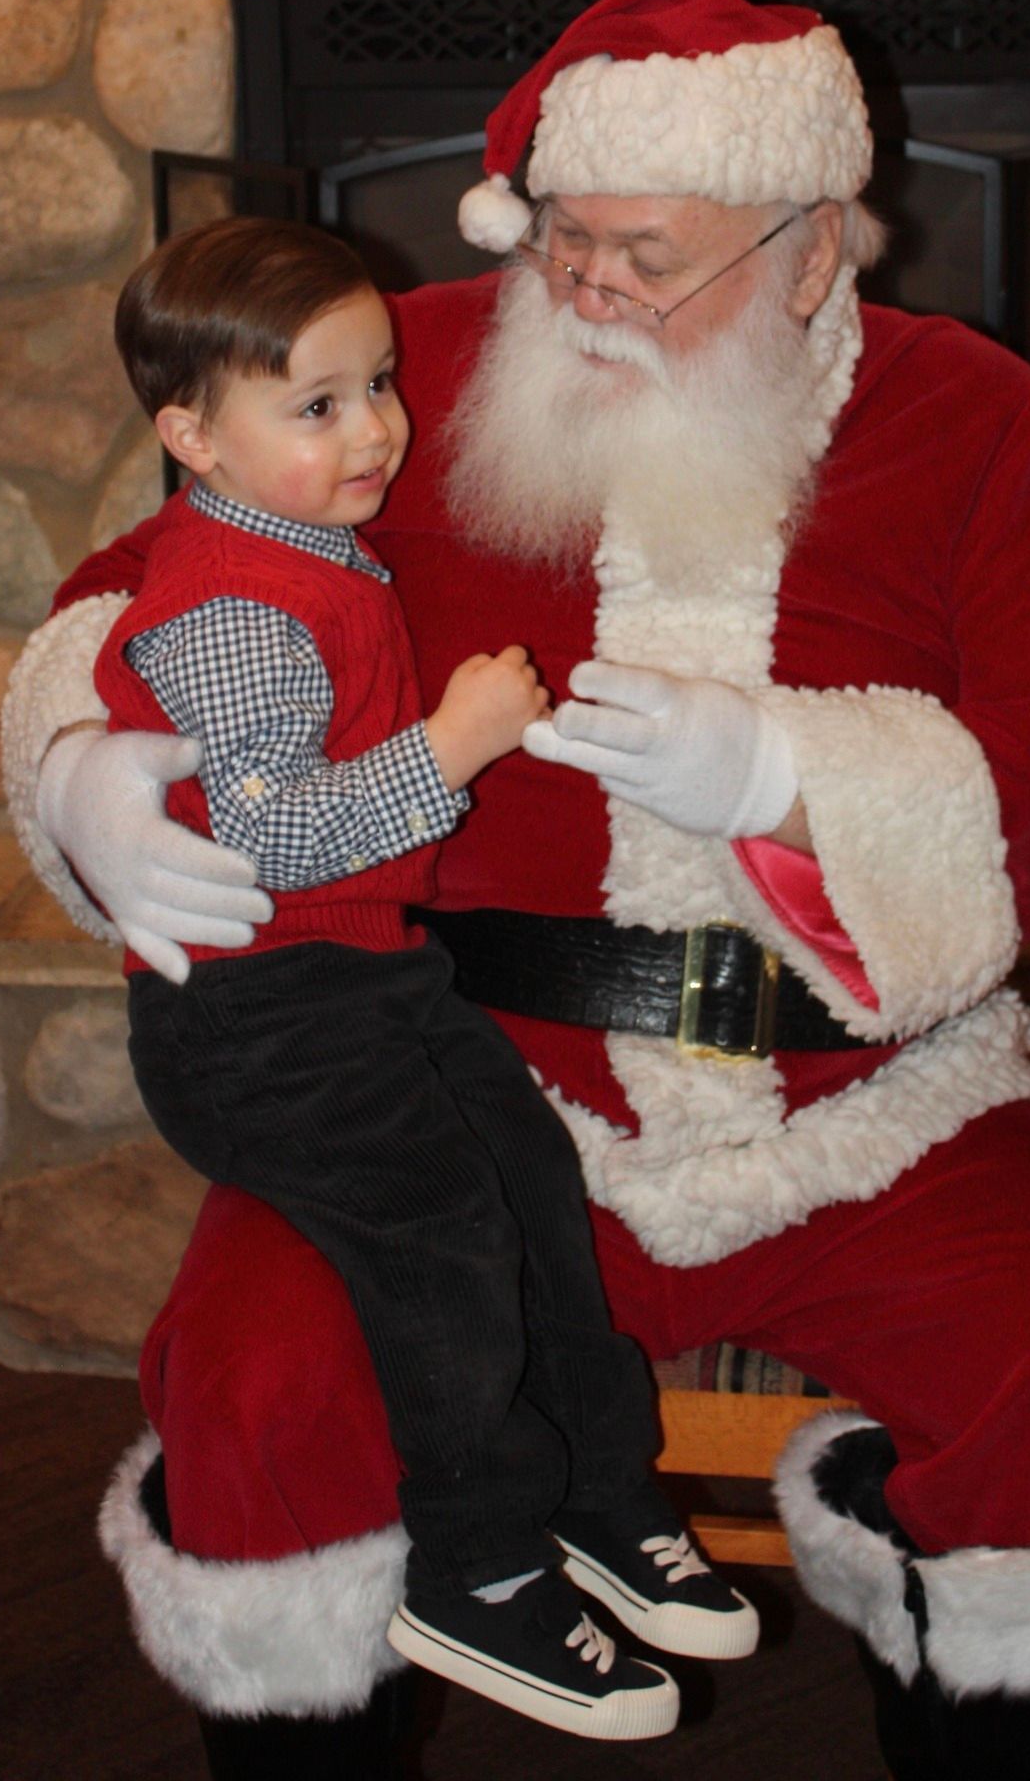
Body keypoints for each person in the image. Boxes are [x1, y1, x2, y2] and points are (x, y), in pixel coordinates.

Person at [3, 0, 1030, 1781]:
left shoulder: (974, 418)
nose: (585, 293)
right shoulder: (393, 368)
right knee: (259, 1396)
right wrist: (85, 767)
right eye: (560, 239)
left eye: (648, 255)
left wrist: (796, 778)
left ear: (815, 249)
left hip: (865, 1100)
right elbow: (129, 589)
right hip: (454, 1084)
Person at [87, 214, 756, 1744]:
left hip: (363, 985)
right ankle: (476, 1568)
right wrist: (452, 743)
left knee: (527, 1171)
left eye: (379, 384)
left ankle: (597, 1488)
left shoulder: (300, 545)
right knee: (444, 1240)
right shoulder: (236, 608)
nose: (377, 428)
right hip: (257, 1023)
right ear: (189, 435)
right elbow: (277, 840)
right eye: (318, 407)